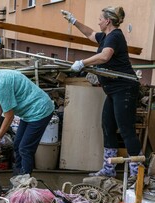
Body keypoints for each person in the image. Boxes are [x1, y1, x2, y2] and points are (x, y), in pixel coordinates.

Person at [61, 7, 142, 179]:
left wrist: (82, 62)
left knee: (126, 129)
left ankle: (137, 172)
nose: (98, 21)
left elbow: (105, 57)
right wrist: (74, 21)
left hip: (124, 88)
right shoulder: (106, 36)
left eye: (100, 19)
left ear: (108, 21)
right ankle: (109, 168)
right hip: (113, 90)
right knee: (107, 126)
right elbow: (90, 34)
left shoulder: (115, 36)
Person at [0, 57, 55, 175]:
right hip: (29, 112)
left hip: (40, 110)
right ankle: (18, 178)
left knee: (25, 149)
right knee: (17, 145)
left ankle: (25, 182)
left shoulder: (2, 83)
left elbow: (9, 116)